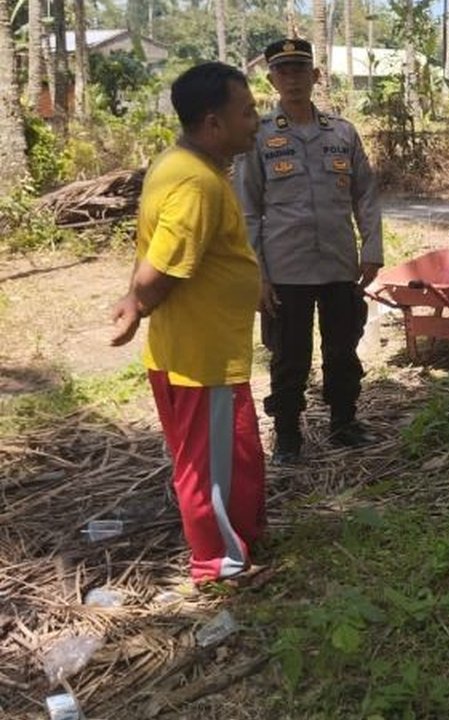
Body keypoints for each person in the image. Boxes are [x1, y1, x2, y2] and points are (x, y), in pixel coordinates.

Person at [109, 62, 266, 585]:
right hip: (201, 359)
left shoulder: (178, 164)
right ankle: (218, 562)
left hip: (205, 351)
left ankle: (242, 535)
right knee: (208, 467)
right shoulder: (197, 183)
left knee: (233, 454)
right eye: (246, 111)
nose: (256, 120)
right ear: (213, 123)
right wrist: (137, 303)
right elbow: (161, 268)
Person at [236, 38, 383, 465]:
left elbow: (365, 196)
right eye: (283, 71)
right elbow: (247, 210)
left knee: (343, 348)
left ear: (316, 76)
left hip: (339, 263)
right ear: (272, 80)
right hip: (286, 269)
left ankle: (344, 422)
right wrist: (257, 275)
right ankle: (287, 437)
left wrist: (371, 248)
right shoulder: (258, 137)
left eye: (301, 69)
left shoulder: (342, 132)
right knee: (289, 356)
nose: (293, 78)